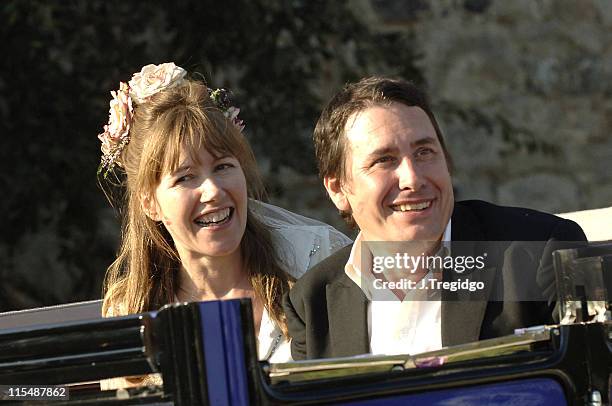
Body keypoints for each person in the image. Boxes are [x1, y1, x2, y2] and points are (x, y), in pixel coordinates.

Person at [283, 76, 587, 360]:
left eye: (424, 152)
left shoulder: (543, 251)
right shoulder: (312, 305)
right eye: (383, 160)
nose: (412, 178)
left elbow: (594, 381)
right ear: (338, 189)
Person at [96, 63, 351, 385]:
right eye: (185, 177)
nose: (214, 190)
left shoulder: (318, 260)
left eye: (223, 167)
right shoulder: (129, 310)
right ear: (150, 203)